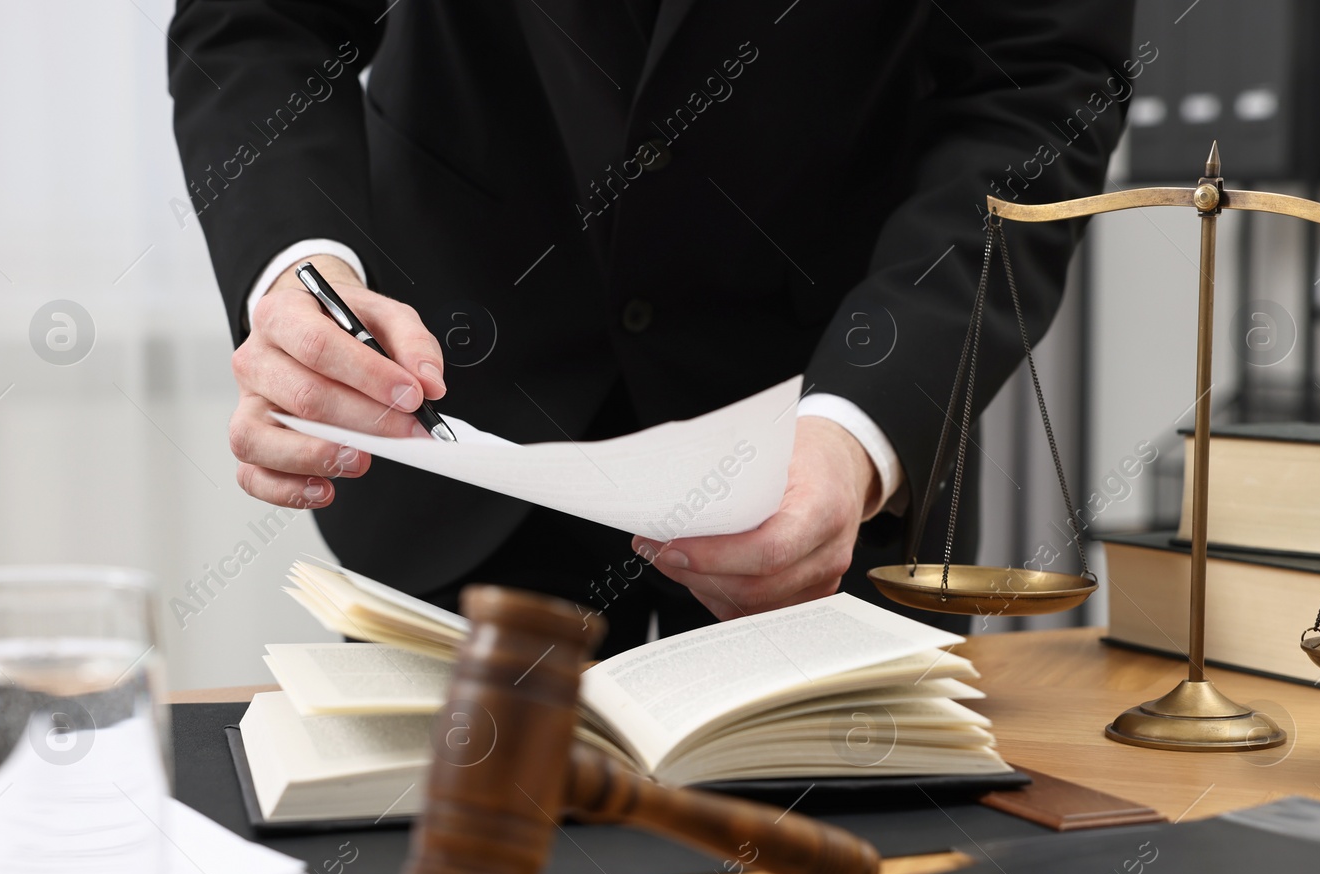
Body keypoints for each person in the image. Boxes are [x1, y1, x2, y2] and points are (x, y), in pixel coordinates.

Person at [167, 0, 1133, 656]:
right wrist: (299, 275)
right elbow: (264, 19)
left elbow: (1035, 78)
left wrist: (861, 427)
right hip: (466, 423)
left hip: (826, 435)